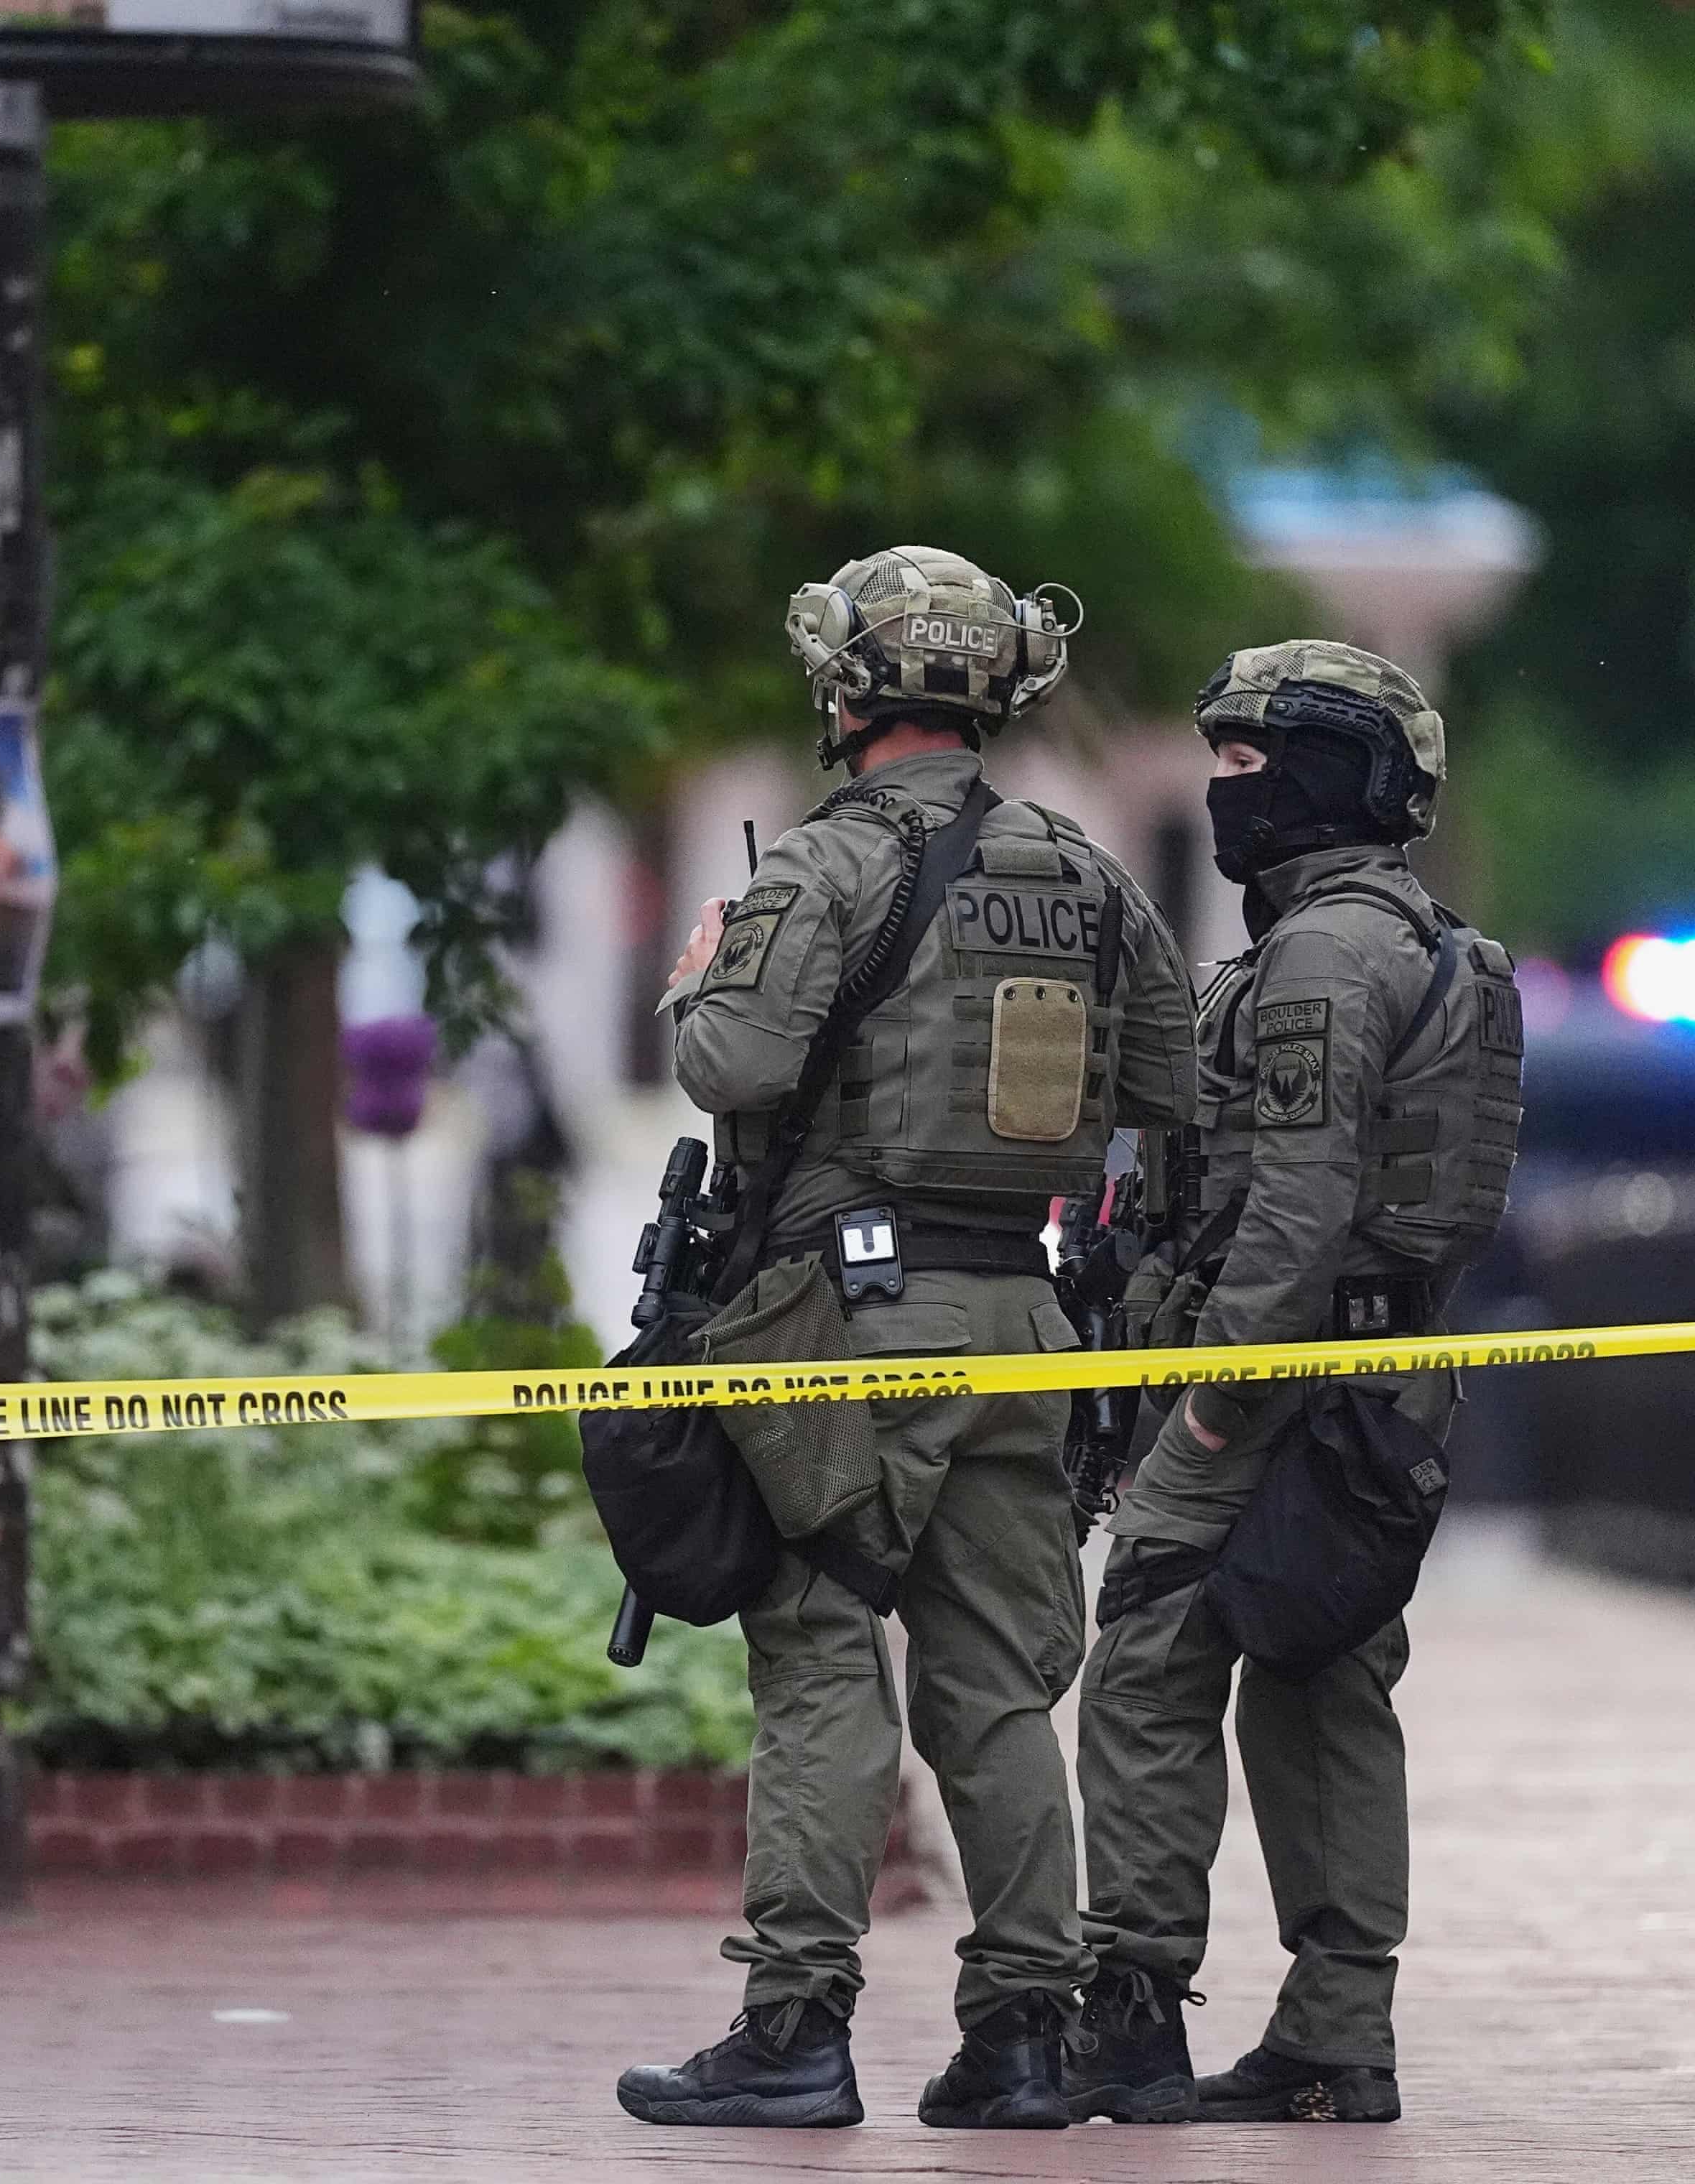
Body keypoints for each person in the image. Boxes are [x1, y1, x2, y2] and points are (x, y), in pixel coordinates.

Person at [616, 547, 1197, 2131]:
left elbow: (731, 1060)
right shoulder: (1084, 874)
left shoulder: (822, 867)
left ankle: (794, 2021)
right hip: (1024, 1317)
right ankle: (1020, 2035)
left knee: (818, 1654)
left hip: (848, 1330)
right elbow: (1168, 1084)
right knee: (998, 1687)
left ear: (846, 688)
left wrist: (689, 987)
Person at [1064, 642, 1523, 2125]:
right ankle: (1336, 2030)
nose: (1224, 789)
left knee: (1145, 1660)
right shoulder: (1413, 939)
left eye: (1255, 762)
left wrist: (1205, 1395)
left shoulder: (1327, 953)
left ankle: (1128, 2011)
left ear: (1335, 776)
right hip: (1369, 1380)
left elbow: (1299, 1200)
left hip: (1271, 1376)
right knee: (1322, 1683)